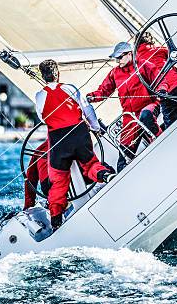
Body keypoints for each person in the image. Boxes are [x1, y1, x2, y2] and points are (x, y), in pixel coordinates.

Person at [35, 59, 115, 230]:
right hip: (79, 134)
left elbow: (42, 118)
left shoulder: (40, 95)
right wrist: (95, 127)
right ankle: (104, 176)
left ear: (43, 76)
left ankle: (56, 222)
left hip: (58, 141)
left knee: (58, 182)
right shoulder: (70, 88)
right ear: (58, 73)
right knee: (90, 164)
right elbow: (87, 110)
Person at [87, 42, 164, 171]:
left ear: (129, 54)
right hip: (130, 116)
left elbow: (160, 79)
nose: (117, 61)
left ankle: (162, 140)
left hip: (149, 105)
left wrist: (162, 90)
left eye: (120, 57)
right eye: (116, 58)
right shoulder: (114, 73)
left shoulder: (144, 65)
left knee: (146, 116)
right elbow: (104, 90)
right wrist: (92, 97)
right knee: (123, 158)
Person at [136, 35, 177, 128]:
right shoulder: (157, 50)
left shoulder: (138, 63)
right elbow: (176, 56)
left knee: (173, 126)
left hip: (164, 94)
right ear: (148, 42)